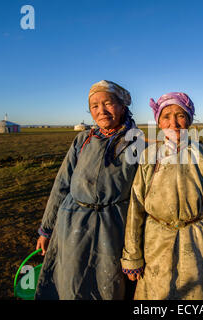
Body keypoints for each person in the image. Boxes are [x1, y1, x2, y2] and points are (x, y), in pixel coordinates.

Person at [120, 92, 203, 300]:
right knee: (157, 295)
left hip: (199, 241)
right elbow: (136, 208)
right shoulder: (149, 155)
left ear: (189, 120)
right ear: (159, 122)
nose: (173, 122)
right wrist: (132, 256)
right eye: (166, 116)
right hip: (156, 241)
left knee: (198, 295)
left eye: (180, 115)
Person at [34, 80, 139, 299]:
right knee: (69, 281)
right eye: (94, 106)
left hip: (113, 226)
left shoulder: (136, 143)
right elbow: (61, 185)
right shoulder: (82, 140)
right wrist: (46, 229)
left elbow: (143, 194)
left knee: (108, 283)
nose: (101, 110)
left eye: (108, 103)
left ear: (122, 107)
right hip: (72, 221)